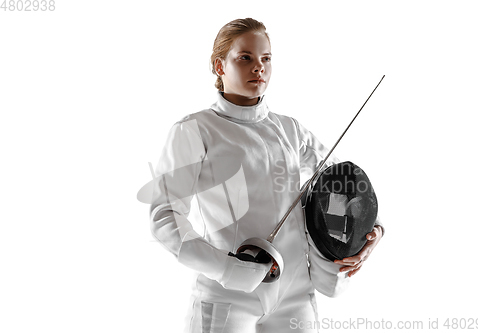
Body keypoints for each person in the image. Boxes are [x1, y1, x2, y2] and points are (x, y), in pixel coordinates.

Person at [150, 18, 384, 333]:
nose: (258, 67)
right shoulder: (195, 130)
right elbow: (165, 217)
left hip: (295, 293)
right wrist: (227, 269)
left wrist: (373, 231)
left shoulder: (289, 129)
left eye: (266, 59)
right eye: (245, 58)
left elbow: (344, 185)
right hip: (227, 296)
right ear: (220, 66)